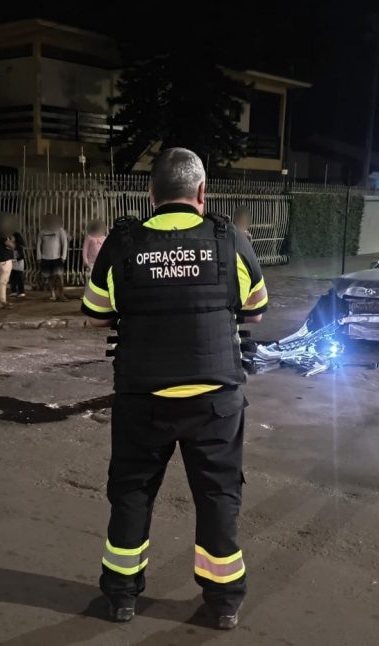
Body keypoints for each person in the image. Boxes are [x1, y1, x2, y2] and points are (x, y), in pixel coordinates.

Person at [81, 148, 268, 630]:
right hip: (215, 402)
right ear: (202, 193)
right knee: (218, 496)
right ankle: (224, 602)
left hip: (143, 399)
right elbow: (256, 310)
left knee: (132, 495)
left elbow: (96, 310)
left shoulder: (122, 242)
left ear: (152, 195)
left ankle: (121, 596)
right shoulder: (230, 238)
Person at [37, 214, 69, 301]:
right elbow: (39, 245)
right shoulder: (42, 232)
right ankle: (53, 294)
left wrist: (63, 256)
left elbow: (64, 243)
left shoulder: (60, 231)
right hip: (45, 258)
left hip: (57, 258)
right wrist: (39, 256)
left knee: (59, 277)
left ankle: (61, 294)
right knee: (49, 277)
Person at [0, 214, 16, 309]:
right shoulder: (1, 234)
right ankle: (2, 302)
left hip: (3, 258)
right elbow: (11, 245)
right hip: (4, 259)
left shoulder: (0, 233)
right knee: (3, 281)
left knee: (4, 280)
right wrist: (12, 240)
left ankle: (3, 301)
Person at [9, 227, 27, 298]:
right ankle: (13, 291)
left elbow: (21, 256)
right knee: (12, 277)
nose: (11, 238)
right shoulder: (11, 245)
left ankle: (21, 291)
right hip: (13, 263)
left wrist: (16, 260)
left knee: (19, 277)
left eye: (12, 237)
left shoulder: (19, 246)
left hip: (19, 263)